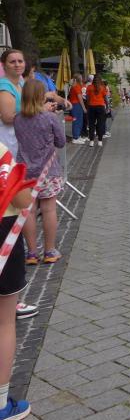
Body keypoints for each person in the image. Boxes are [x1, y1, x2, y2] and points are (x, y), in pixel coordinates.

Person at [0, 139, 34, 420]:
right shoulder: (0, 151)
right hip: (4, 235)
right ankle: (1, 403)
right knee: (4, 322)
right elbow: (21, 199)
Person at [15, 79, 66, 265]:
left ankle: (31, 253)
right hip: (48, 171)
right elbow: (61, 142)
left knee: (28, 211)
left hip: (25, 172)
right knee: (48, 209)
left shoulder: (17, 118)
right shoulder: (49, 118)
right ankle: (49, 250)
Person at [0, 50, 26, 158]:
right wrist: (38, 111)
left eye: (20, 61)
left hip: (17, 137)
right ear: (3, 65)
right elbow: (8, 118)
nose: (17, 65)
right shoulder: (4, 86)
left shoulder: (21, 82)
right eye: (12, 62)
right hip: (7, 139)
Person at [85, 74, 108, 148]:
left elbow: (87, 98)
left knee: (91, 124)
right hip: (101, 107)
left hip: (91, 107)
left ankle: (91, 141)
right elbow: (106, 98)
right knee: (100, 124)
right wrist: (107, 107)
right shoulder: (103, 87)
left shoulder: (89, 87)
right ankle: (100, 141)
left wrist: (88, 105)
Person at [67, 73, 87, 144]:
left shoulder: (74, 86)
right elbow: (80, 98)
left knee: (78, 121)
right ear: (79, 79)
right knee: (77, 121)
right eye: (81, 78)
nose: (82, 79)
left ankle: (77, 136)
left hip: (75, 105)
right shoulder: (77, 87)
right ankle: (75, 137)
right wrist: (84, 108)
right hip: (76, 105)